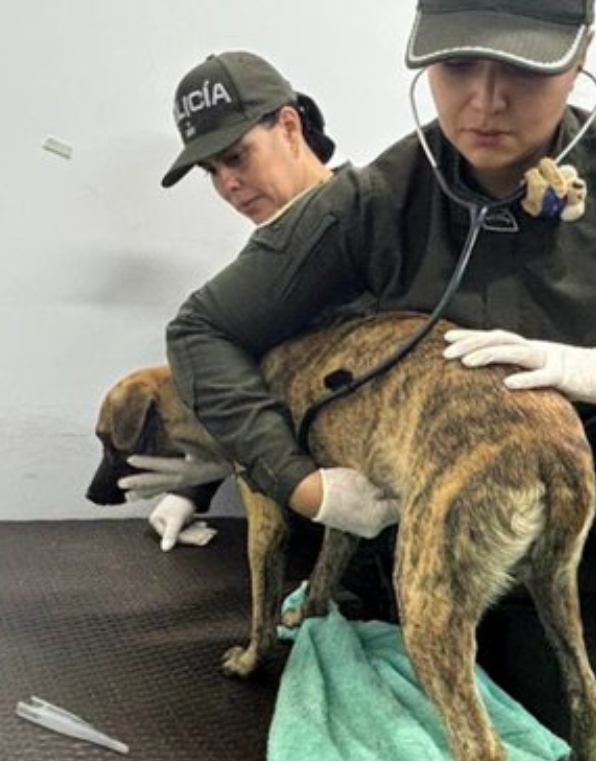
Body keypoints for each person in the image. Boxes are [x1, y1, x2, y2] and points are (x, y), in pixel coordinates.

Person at [149, 0, 596, 761]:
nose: (486, 100)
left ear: (581, 54)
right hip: (412, 561)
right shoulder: (375, 199)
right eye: (457, 65)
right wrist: (297, 480)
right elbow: (202, 332)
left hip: (591, 573)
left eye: (525, 67)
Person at [118, 51, 401, 551]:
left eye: (236, 156)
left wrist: (301, 486)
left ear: (289, 128)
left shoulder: (361, 215)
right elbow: (254, 375)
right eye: (211, 170)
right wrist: (201, 480)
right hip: (332, 543)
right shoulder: (272, 265)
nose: (227, 184)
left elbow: (199, 331)